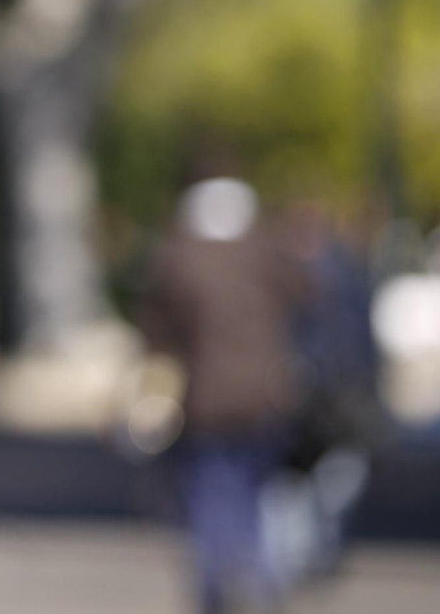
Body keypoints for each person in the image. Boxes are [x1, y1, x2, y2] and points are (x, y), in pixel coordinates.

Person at [142, 173, 312, 614]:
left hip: (205, 402)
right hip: (266, 398)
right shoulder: (267, 256)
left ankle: (218, 585)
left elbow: (156, 332)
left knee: (210, 494)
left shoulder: (179, 260)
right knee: (257, 495)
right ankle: (258, 579)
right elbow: (310, 299)